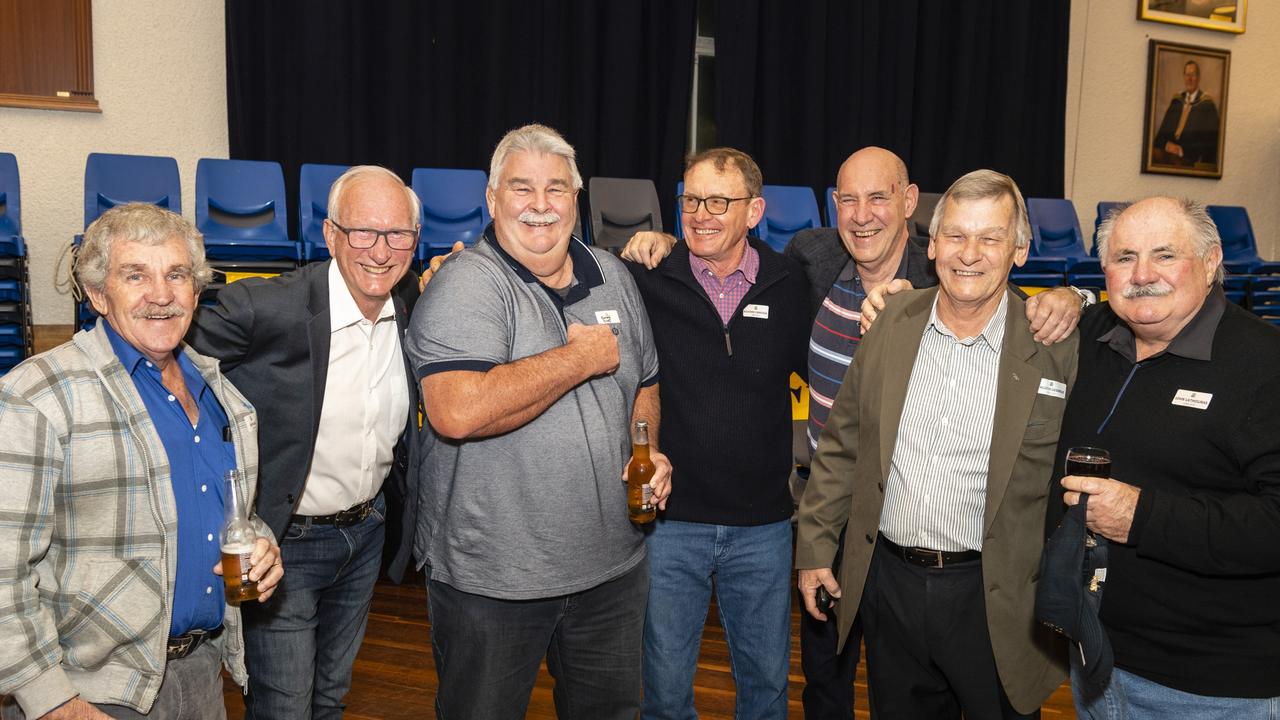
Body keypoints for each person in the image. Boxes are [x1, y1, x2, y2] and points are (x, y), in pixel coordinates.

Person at [624, 148, 1082, 718]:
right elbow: (836, 438)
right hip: (829, 511)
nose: (862, 215)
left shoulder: (945, 281)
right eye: (848, 200)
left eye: (879, 198)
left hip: (943, 547)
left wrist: (1075, 297)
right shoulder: (807, 264)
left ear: (911, 205)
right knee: (828, 679)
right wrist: (663, 245)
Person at [406, 123, 671, 720]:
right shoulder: (465, 283)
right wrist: (578, 359)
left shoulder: (615, 276)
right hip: (494, 583)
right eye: (521, 188)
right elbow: (457, 411)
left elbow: (646, 384)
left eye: (557, 188)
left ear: (576, 200)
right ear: (492, 199)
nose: (540, 205)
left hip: (613, 572)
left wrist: (647, 449)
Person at [796, 169, 1078, 719]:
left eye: (990, 238)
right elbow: (840, 448)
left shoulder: (1054, 346)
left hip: (995, 600)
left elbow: (1145, 312)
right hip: (891, 589)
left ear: (1019, 250)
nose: (969, 254)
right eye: (955, 235)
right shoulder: (889, 321)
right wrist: (813, 550)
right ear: (933, 247)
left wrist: (1079, 296)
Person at [0, 203, 282, 720]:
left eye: (176, 274)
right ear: (98, 294)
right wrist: (52, 701)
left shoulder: (222, 393)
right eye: (136, 275)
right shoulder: (38, 395)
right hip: (90, 693)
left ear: (196, 291)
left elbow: (224, 512)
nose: (161, 294)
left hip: (201, 672)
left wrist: (262, 546)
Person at [188, 165, 420, 719]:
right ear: (331, 234)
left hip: (364, 537)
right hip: (285, 544)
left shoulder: (412, 303)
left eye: (398, 235)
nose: (381, 252)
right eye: (363, 231)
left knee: (331, 697)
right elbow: (168, 357)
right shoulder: (267, 309)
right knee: (283, 706)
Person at [1051, 197, 1280, 718]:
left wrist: (1143, 517)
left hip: (1213, 687)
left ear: (1212, 261)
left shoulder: (1265, 366)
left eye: (1164, 255)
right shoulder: (1090, 338)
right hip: (1096, 663)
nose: (1143, 274)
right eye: (1125, 257)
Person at [622, 147, 809, 719]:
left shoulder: (791, 284)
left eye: (717, 201)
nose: (699, 213)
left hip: (764, 527)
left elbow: (833, 380)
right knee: (666, 691)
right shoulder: (647, 277)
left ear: (754, 211)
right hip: (672, 526)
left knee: (766, 690)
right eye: (690, 199)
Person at [1152, 60, 1220, 167]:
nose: (1189, 79)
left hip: (1189, 160)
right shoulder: (1177, 101)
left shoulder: (1207, 105)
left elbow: (1209, 143)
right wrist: (1167, 145)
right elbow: (1160, 136)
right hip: (1168, 155)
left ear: (1198, 78)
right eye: (1187, 75)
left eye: (1192, 75)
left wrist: (1181, 150)